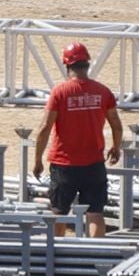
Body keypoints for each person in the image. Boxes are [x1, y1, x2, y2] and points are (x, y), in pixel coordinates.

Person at [31, 42, 124, 238]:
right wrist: (116, 147)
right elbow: (116, 124)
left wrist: (37, 159)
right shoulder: (103, 91)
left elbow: (45, 127)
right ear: (87, 64)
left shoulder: (60, 92)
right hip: (94, 163)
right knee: (95, 213)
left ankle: (54, 258)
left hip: (64, 164)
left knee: (58, 213)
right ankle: (96, 259)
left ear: (67, 66)